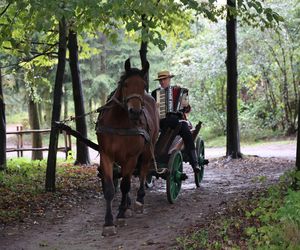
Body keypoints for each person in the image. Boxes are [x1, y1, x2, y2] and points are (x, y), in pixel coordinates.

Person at [151, 70, 201, 173]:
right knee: (178, 123)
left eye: (164, 79)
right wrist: (156, 107)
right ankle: (159, 153)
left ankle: (194, 163)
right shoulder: (155, 93)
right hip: (163, 121)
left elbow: (187, 110)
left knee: (186, 131)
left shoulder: (180, 91)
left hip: (178, 120)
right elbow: (152, 111)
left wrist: (186, 105)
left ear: (169, 79)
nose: (162, 82)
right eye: (160, 80)